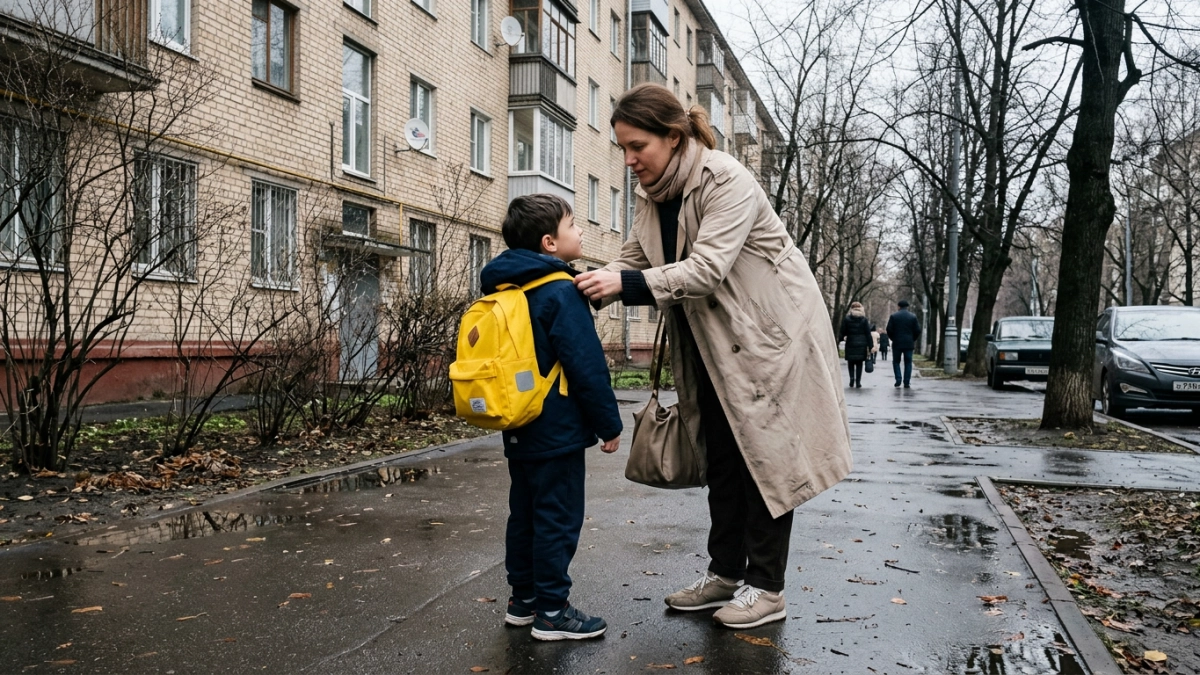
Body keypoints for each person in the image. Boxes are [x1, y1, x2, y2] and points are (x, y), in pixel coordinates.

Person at [574, 84, 852, 630]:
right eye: (622, 149)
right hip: (711, 343)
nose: (628, 161)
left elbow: (705, 270)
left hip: (770, 340)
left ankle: (768, 588)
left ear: (672, 137)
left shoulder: (726, 179)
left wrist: (619, 284)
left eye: (637, 147)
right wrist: (576, 278)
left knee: (763, 461)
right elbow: (632, 259)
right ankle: (726, 574)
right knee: (722, 458)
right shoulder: (653, 196)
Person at [480, 194, 624, 641]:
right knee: (557, 516)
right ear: (549, 243)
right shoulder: (561, 291)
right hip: (556, 427)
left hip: (519, 422)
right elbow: (585, 364)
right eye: (573, 225)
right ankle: (553, 612)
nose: (580, 231)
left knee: (523, 514)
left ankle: (522, 601)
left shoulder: (508, 289)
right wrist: (609, 423)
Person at [886, 299, 921, 388]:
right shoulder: (913, 317)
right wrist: (913, 339)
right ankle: (906, 382)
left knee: (896, 362)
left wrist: (893, 338)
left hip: (897, 343)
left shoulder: (894, 316)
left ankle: (898, 379)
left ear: (899, 307)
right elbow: (917, 330)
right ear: (907, 307)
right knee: (908, 362)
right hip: (909, 343)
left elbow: (889, 329)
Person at [839, 302, 874, 388]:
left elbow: (843, 331)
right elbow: (868, 333)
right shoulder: (864, 320)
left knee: (850, 362)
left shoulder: (847, 319)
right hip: (862, 344)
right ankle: (858, 381)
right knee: (859, 363)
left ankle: (851, 379)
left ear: (851, 308)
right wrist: (870, 346)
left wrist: (841, 338)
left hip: (850, 342)